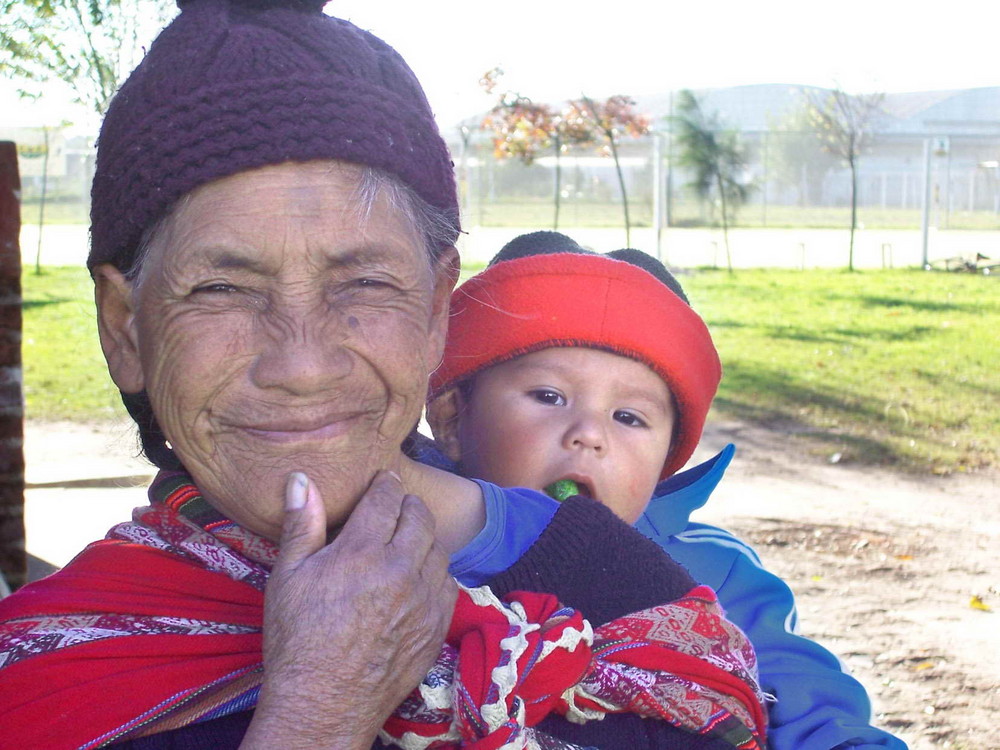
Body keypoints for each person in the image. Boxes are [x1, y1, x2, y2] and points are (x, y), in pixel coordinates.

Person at [0, 2, 769, 748]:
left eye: (364, 284)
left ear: (437, 308)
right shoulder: (46, 671)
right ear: (123, 326)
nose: (301, 366)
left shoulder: (623, 594)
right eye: (222, 289)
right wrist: (316, 713)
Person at [426, 230, 909, 750]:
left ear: (665, 459)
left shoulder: (716, 576)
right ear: (453, 417)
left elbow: (808, 705)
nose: (589, 433)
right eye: (549, 395)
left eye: (629, 417)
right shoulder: (406, 536)